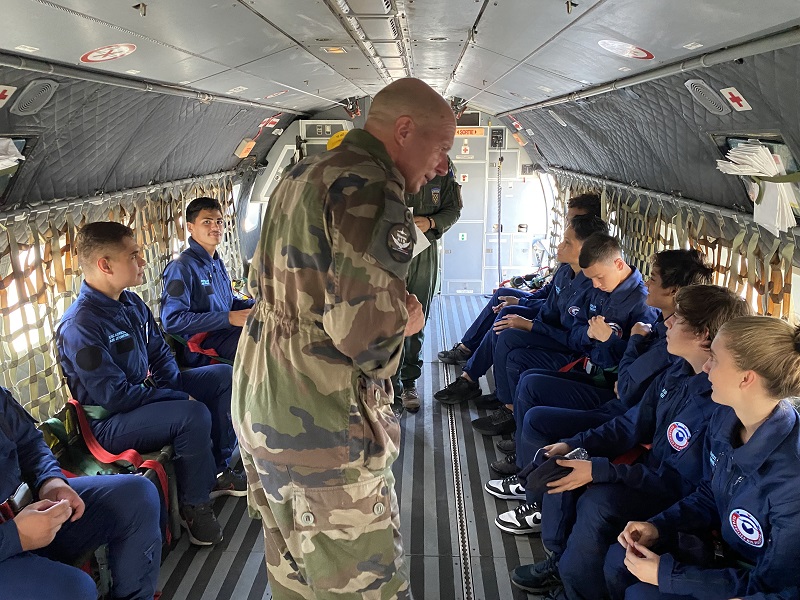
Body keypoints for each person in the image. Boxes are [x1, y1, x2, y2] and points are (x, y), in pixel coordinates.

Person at [231, 77, 455, 599]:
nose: (443, 165)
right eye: (441, 148)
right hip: (321, 417)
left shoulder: (301, 171)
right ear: (404, 130)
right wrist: (409, 323)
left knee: (295, 573)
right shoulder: (373, 189)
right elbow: (369, 340)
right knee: (360, 584)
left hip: (262, 393)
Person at [509, 285, 751, 600]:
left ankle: (576, 591)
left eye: (676, 319)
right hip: (654, 474)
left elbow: (685, 485)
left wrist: (602, 471)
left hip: (678, 495)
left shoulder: (719, 404)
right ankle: (562, 562)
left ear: (703, 335)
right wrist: (574, 444)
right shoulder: (677, 373)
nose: (666, 323)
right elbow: (631, 423)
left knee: (601, 500)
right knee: (569, 463)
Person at [56, 221, 245, 547]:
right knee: (193, 414)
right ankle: (194, 505)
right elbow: (113, 396)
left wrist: (174, 388)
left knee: (220, 378)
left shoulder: (131, 304)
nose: (143, 262)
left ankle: (215, 471)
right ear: (105, 265)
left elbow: (160, 355)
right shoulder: (80, 325)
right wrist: (176, 397)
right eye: (134, 255)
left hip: (146, 395)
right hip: (111, 420)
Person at [606, 317, 800, 600]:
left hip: (752, 580)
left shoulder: (791, 480)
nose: (706, 367)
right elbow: (710, 493)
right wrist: (658, 526)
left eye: (716, 360)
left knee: (642, 595)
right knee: (618, 557)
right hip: (718, 547)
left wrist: (668, 575)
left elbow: (771, 585)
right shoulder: (726, 417)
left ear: (746, 378)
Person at [485, 249, 712, 487]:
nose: (647, 283)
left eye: (653, 279)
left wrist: (624, 342)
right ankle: (527, 460)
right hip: (600, 376)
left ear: (674, 291)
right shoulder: (655, 322)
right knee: (529, 378)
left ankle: (528, 479)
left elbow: (625, 386)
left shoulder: (660, 329)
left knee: (535, 410)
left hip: (619, 408)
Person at [485, 233, 659, 476]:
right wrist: (589, 334)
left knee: (531, 386)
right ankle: (525, 457)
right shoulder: (600, 290)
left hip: (609, 387)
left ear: (618, 264)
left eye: (599, 277)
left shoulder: (643, 305)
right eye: (592, 280)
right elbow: (575, 330)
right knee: (528, 380)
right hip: (585, 364)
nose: (596, 285)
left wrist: (608, 340)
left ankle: (526, 471)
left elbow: (634, 364)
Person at [0, 387, 161, 600]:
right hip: (9, 538)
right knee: (76, 590)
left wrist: (50, 481)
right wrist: (15, 537)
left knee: (139, 496)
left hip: (27, 510)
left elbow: (29, 443)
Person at [434, 214, 608, 408]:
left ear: (585, 249)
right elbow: (547, 301)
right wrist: (522, 303)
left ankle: (504, 401)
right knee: (506, 315)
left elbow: (574, 334)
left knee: (507, 333)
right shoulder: (566, 271)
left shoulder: (593, 286)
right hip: (549, 327)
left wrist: (529, 325)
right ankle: (473, 379)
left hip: (564, 341)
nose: (559, 246)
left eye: (567, 242)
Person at [437, 192, 602, 366]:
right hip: (545, 309)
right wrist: (523, 299)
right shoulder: (568, 265)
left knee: (507, 315)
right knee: (502, 294)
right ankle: (467, 347)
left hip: (555, 326)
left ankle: (470, 373)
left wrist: (521, 302)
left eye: (575, 220)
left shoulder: (590, 272)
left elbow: (559, 308)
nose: (570, 225)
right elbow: (549, 292)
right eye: (568, 220)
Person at [392, 158, 463, 413]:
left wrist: (431, 223)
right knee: (388, 320)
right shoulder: (384, 163)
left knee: (416, 318)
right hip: (387, 250)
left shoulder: (442, 169)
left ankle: (408, 382)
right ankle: (390, 390)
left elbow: (453, 209)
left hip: (424, 252)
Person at [161, 196, 254, 367]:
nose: (215, 227)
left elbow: (228, 303)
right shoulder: (181, 267)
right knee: (267, 344)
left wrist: (260, 305)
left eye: (219, 221)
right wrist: (227, 318)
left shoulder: (216, 262)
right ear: (190, 227)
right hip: (201, 344)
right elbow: (172, 320)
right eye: (207, 222)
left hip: (225, 333)